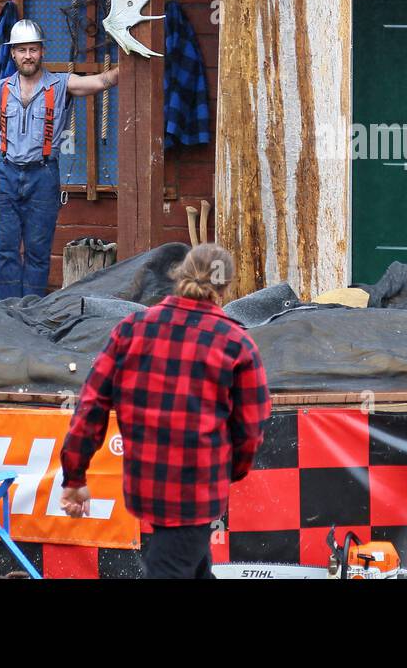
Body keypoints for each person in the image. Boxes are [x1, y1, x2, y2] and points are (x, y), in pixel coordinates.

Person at [58, 244, 271, 579]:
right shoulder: (236, 343)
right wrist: (227, 472)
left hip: (149, 488)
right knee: (180, 564)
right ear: (225, 287)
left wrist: (75, 475)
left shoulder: (132, 329)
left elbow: (91, 406)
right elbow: (251, 428)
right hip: (198, 492)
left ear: (179, 275)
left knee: (187, 565)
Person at [0, 19, 119, 299]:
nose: (28, 55)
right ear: (13, 53)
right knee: (5, 251)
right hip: (6, 174)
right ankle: (5, 313)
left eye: (33, 49)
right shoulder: (2, 88)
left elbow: (103, 80)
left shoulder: (62, 84)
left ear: (42, 52)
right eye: (22, 50)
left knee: (38, 252)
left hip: (43, 176)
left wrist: (129, 62)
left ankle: (32, 313)